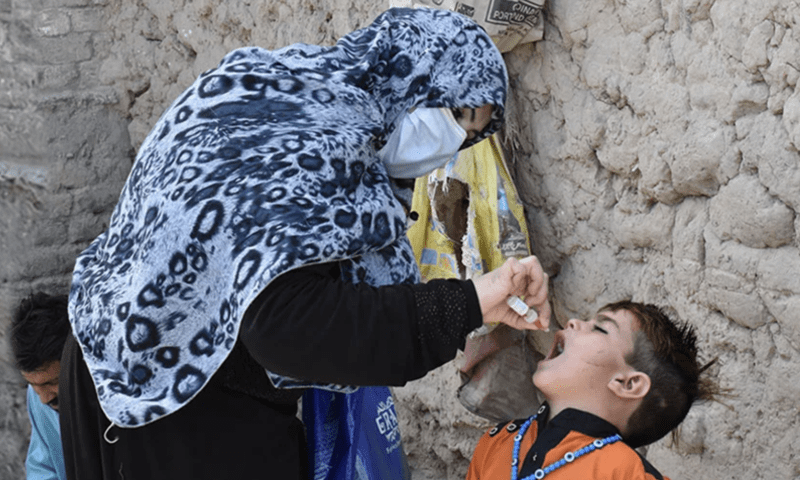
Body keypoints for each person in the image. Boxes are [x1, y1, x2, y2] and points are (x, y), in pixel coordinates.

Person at [60, 7, 551, 480]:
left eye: (469, 133)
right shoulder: (324, 144)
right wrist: (467, 304)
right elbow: (288, 328)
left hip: (107, 356)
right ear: (411, 76)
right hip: (176, 396)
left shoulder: (275, 86)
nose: (449, 141)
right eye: (457, 114)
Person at [466, 301, 718, 480]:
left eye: (599, 328)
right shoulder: (496, 442)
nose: (573, 322)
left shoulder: (626, 474)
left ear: (627, 384)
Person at [10, 292, 70, 480]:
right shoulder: (36, 395)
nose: (44, 399)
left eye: (52, 383)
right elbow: (42, 467)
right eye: (33, 385)